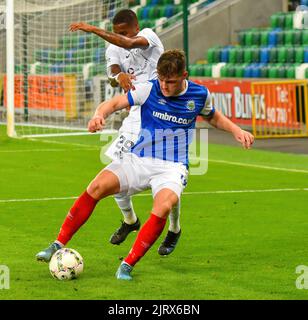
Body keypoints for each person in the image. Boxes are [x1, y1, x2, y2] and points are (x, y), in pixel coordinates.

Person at [36, 49, 254, 280]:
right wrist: (98, 115)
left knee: (163, 206)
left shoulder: (200, 94)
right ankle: (58, 243)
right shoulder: (150, 88)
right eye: (161, 80)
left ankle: (127, 265)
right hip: (138, 159)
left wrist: (237, 130)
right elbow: (114, 103)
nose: (165, 86)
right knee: (96, 187)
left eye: (170, 82)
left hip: (172, 166)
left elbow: (212, 116)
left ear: (184, 76)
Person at [69, 10, 182, 255]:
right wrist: (118, 75)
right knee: (116, 167)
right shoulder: (113, 48)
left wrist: (94, 29)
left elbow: (129, 43)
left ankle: (174, 228)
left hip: (162, 113)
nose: (120, 37)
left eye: (124, 32)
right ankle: (130, 221)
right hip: (134, 115)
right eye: (116, 32)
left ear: (136, 27)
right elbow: (113, 71)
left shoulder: (148, 36)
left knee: (169, 175)